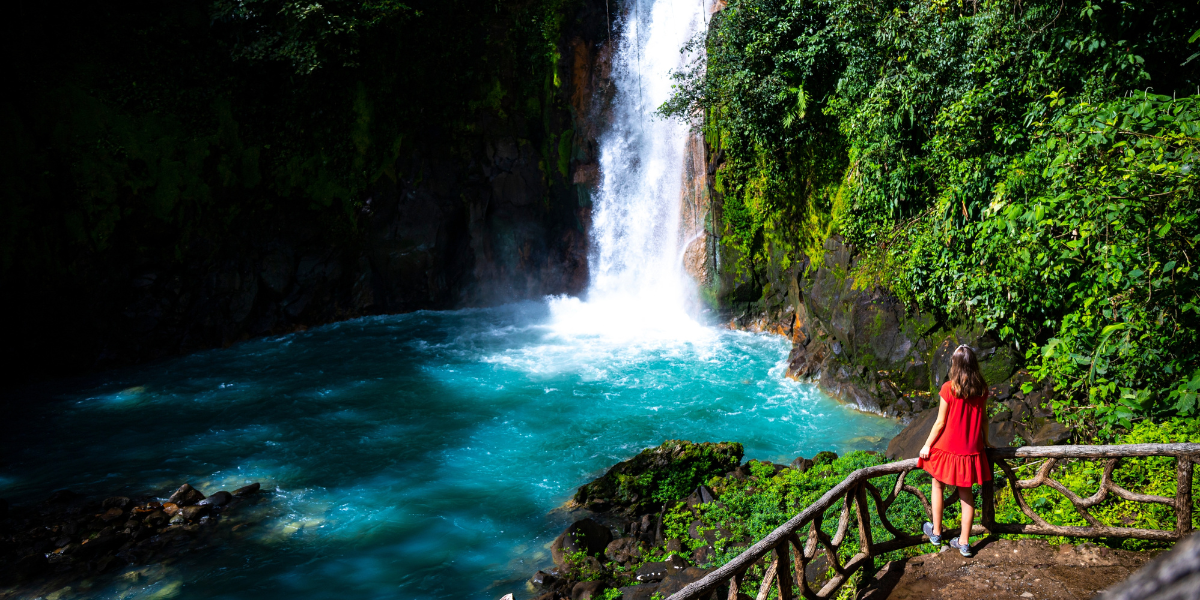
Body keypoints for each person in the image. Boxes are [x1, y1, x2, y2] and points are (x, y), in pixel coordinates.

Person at [918, 344, 992, 557]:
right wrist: (986, 442)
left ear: (956, 365)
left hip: (948, 449)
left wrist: (927, 445)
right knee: (967, 496)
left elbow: (940, 423)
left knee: (937, 484)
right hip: (971, 450)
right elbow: (984, 420)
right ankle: (964, 543)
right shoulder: (982, 390)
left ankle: (936, 532)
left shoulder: (949, 388)